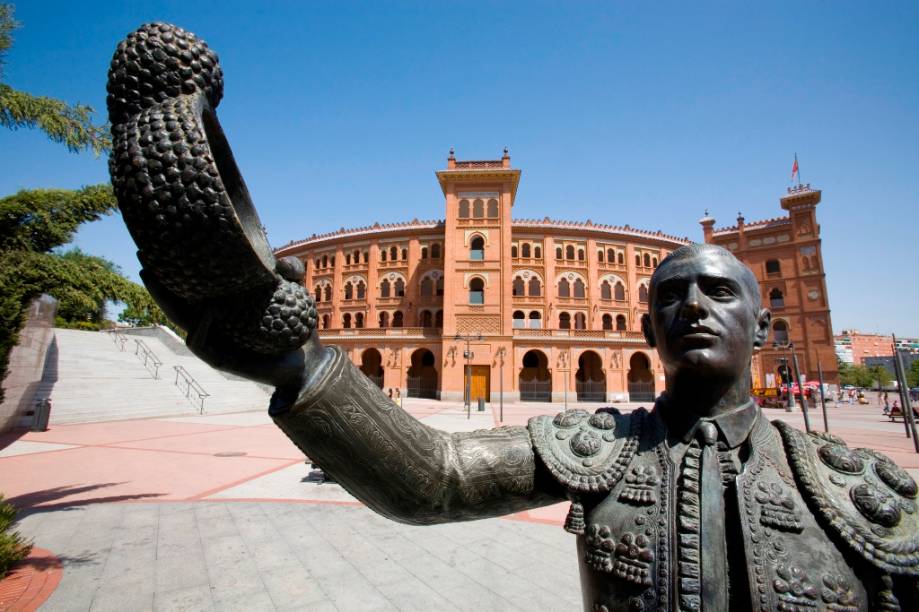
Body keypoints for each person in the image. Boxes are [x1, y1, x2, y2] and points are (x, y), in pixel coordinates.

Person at [108, 24, 919, 611]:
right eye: (668, 295)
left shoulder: (866, 492)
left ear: (766, 323)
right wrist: (296, 364)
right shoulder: (599, 449)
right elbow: (432, 479)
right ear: (645, 331)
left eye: (720, 291)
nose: (692, 309)